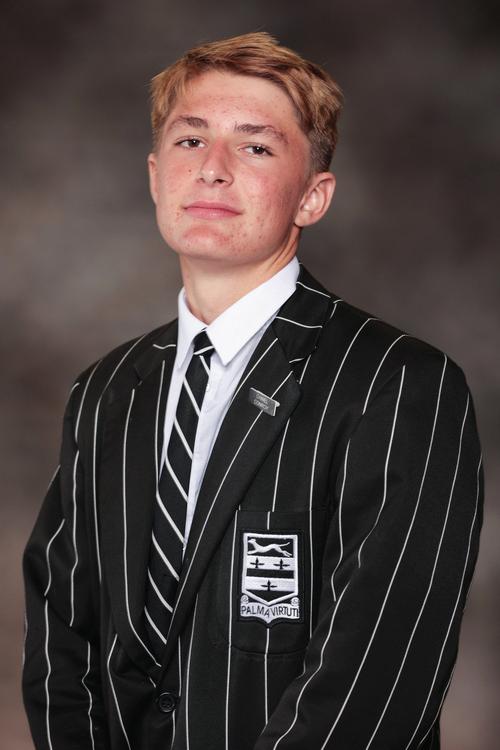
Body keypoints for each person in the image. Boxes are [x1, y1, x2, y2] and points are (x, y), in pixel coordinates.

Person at [22, 32, 483, 750]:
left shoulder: (399, 386)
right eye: (190, 140)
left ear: (313, 197)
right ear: (155, 177)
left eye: (256, 147)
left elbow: (377, 682)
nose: (212, 169)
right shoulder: (107, 390)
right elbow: (62, 641)